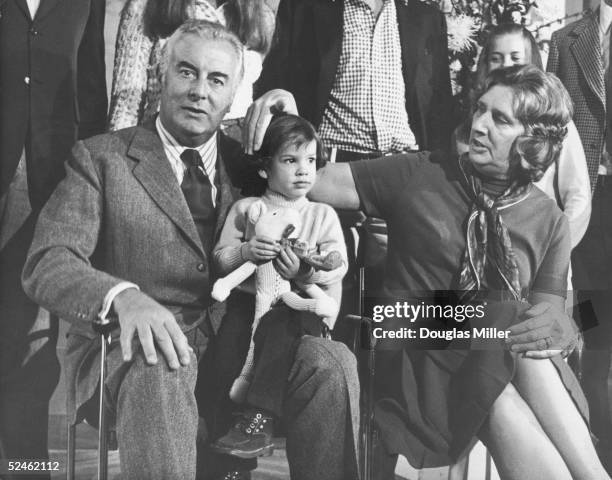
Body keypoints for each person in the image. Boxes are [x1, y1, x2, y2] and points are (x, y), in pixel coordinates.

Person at [22, 20, 359, 480]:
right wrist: (124, 296)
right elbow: (48, 261)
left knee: (331, 361)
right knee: (164, 360)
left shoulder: (251, 166)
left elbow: (304, 184)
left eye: (217, 79)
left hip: (241, 354)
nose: (200, 91)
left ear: (234, 93)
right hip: (136, 357)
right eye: (186, 72)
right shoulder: (102, 159)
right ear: (161, 76)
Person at [308, 65, 609, 480]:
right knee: (508, 318)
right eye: (480, 110)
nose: (479, 125)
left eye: (500, 119)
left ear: (533, 142)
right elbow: (313, 183)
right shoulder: (419, 172)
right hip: (410, 338)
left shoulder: (550, 220)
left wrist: (561, 328)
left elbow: (545, 325)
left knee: (504, 377)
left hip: (486, 361)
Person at [0, 0, 107, 472]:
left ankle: (27, 464)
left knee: (32, 332)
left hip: (46, 180)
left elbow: (90, 86)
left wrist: (97, 181)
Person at [210, 114, 348, 458]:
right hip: (247, 304)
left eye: (311, 161)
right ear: (264, 168)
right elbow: (220, 260)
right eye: (290, 160)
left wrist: (304, 274)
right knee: (225, 350)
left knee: (277, 325)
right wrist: (246, 251)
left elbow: (337, 267)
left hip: (300, 307)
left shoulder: (321, 215)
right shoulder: (247, 209)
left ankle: (260, 419)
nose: (304, 170)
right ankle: (224, 450)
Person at [456, 22, 591, 249]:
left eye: (515, 58)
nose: (505, 65)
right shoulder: (474, 119)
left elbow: (578, 198)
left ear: (532, 63)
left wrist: (552, 248)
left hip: (537, 250)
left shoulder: (555, 123)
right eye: (496, 58)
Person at [547, 2, 612, 471]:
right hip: (587, 201)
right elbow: (552, 125)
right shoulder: (566, 42)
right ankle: (593, 453)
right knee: (593, 331)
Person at [108, 0, 275, 140]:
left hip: (235, 145)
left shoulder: (261, 16)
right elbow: (126, 104)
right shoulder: (148, 6)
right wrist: (117, 161)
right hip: (166, 140)